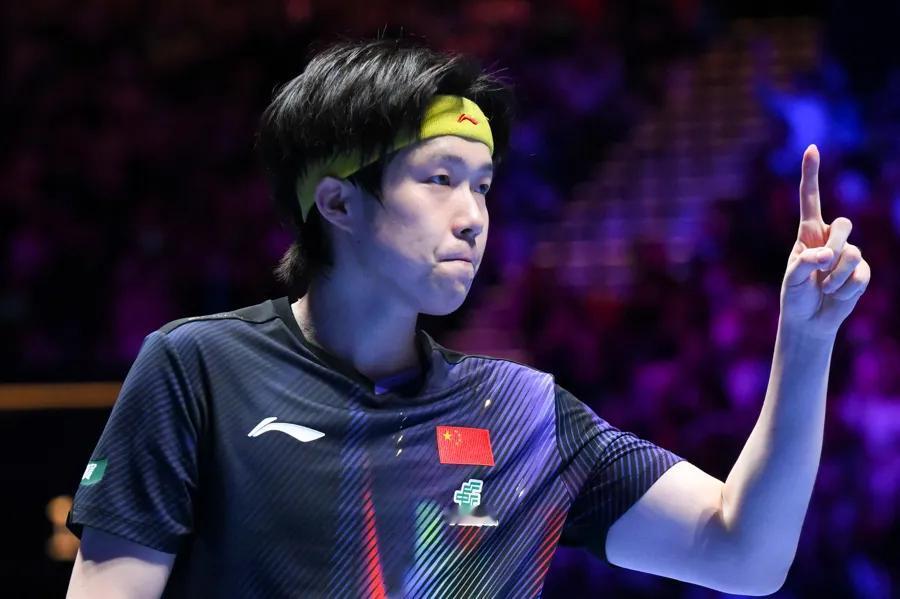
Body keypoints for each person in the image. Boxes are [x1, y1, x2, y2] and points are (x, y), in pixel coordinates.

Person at [66, 36, 871, 598]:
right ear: (338, 201)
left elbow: (744, 552)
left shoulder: (523, 415)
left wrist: (805, 339)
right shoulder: (199, 371)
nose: (473, 216)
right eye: (440, 178)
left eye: (482, 184)